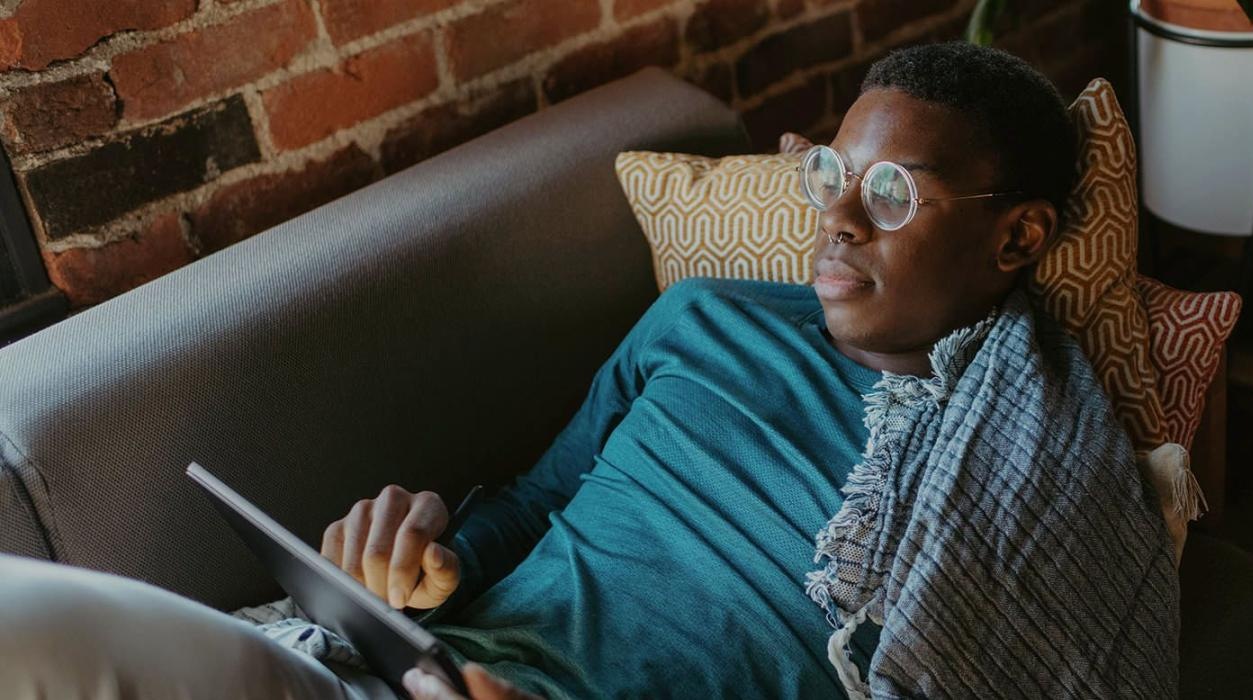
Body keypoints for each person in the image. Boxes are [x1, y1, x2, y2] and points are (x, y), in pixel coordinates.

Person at [0, 41, 1166, 700]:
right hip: (409, 679)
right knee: (23, 616)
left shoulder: (1018, 464)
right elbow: (534, 503)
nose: (838, 222)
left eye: (893, 194)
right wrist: (427, 556)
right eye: (829, 179)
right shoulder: (701, 319)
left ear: (1018, 236)